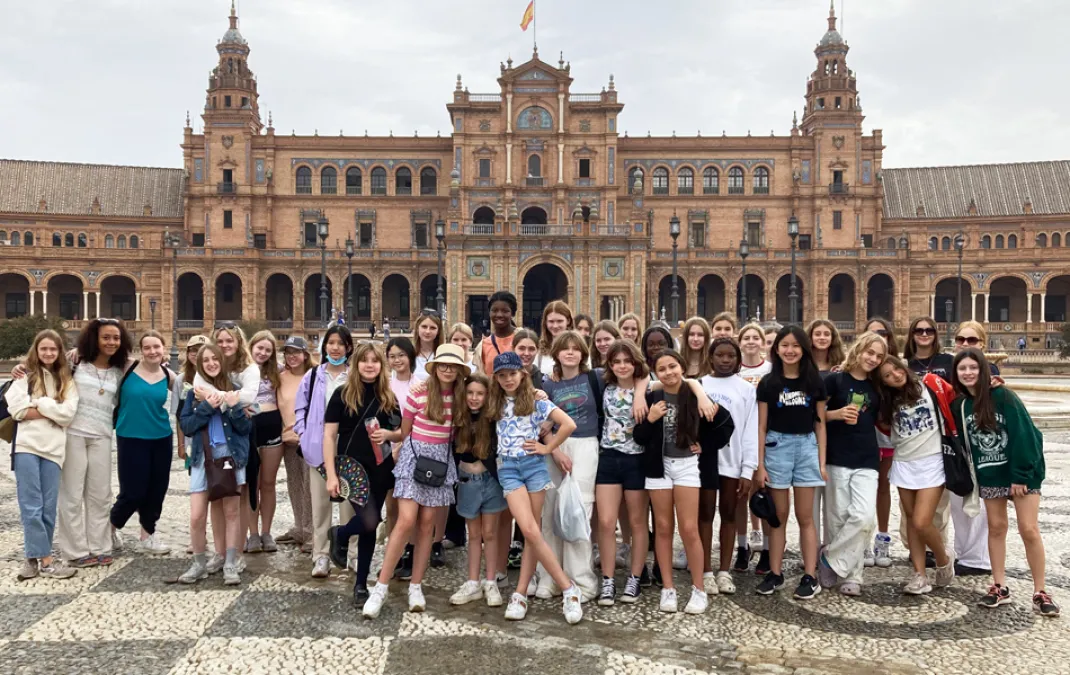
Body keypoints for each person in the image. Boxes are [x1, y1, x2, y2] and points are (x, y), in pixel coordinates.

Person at [951, 348, 1058, 616]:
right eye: (962, 368)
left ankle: (1040, 590)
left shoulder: (1004, 397)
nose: (968, 373)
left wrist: (1020, 475)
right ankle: (999, 585)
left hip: (1021, 472)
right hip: (990, 472)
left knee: (1028, 529)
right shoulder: (961, 406)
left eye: (973, 368)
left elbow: (1026, 434)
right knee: (996, 527)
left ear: (984, 370)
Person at [363, 344, 465, 617]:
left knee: (428, 525)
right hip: (414, 457)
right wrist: (387, 435)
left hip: (440, 463)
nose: (447, 369)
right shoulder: (419, 392)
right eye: (443, 364)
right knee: (406, 521)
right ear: (435, 367)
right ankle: (381, 586)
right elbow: (404, 432)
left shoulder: (461, 397)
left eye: (453, 366)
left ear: (459, 371)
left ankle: (416, 585)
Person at [485, 351, 583, 624]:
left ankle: (519, 594)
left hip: (534, 467)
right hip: (509, 469)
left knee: (532, 533)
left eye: (512, 374)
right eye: (502, 376)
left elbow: (568, 424)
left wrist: (547, 447)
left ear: (522, 374)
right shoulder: (494, 401)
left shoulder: (536, 400)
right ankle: (568, 588)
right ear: (496, 378)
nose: (508, 380)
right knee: (529, 528)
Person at [635, 349, 733, 614]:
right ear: (656, 372)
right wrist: (651, 418)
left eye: (672, 366)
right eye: (662, 369)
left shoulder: (694, 393)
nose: (668, 373)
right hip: (659, 467)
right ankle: (668, 588)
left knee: (689, 529)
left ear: (681, 366)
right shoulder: (653, 396)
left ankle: (698, 588)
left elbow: (726, 424)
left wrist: (705, 445)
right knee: (664, 528)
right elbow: (639, 436)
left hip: (687, 466)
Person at [753, 325, 828, 599]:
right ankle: (775, 573)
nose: (790, 350)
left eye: (796, 345)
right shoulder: (768, 383)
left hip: (806, 445)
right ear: (776, 349)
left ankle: (810, 575)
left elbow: (820, 425)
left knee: (806, 517)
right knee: (778, 517)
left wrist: (821, 461)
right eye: (784, 345)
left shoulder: (814, 382)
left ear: (804, 349)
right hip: (777, 447)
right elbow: (761, 426)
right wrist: (760, 465)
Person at [323, 343, 400, 604]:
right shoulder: (342, 395)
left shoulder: (388, 397)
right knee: (369, 521)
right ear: (355, 365)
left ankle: (360, 584)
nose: (370, 365)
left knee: (370, 527)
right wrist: (331, 475)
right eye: (364, 360)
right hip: (353, 470)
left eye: (375, 361)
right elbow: (329, 435)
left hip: (381, 468)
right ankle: (341, 534)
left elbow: (400, 430)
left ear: (382, 365)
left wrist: (389, 434)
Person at [56, 318, 133, 568]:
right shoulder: (75, 364)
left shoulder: (120, 370)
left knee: (100, 494)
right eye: (106, 337)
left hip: (101, 435)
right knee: (72, 493)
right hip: (73, 434)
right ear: (94, 339)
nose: (111, 342)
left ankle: (100, 546)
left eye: (116, 338)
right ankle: (75, 550)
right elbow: (44, 370)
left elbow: (153, 369)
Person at [876, 355, 955, 595]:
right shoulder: (888, 400)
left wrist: (990, 383)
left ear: (903, 368)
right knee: (911, 519)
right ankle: (919, 574)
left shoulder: (930, 384)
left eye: (896, 370)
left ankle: (943, 559)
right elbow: (884, 427)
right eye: (887, 376)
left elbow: (959, 397)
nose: (895, 376)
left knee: (922, 521)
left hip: (932, 461)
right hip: (904, 462)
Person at [534, 331, 603, 602]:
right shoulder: (548, 385)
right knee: (550, 513)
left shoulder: (593, 378)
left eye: (576, 348)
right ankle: (549, 577)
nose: (571, 352)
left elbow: (639, 376)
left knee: (579, 511)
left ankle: (581, 580)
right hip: (554, 449)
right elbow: (542, 425)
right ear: (557, 354)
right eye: (565, 349)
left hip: (585, 446)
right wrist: (555, 450)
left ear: (583, 353)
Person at [817, 332, 886, 596]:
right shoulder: (835, 380)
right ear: (858, 350)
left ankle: (829, 558)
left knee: (864, 516)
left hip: (867, 457)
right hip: (837, 455)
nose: (873, 359)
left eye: (879, 356)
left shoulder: (877, 386)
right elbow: (816, 413)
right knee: (838, 518)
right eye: (870, 352)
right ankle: (851, 575)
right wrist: (836, 413)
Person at [178, 343, 253, 585]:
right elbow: (186, 426)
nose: (211, 363)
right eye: (205, 360)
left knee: (232, 512)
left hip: (230, 456)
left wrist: (232, 407)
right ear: (199, 365)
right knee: (197, 516)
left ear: (221, 361)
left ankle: (230, 561)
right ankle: (199, 562)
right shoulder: (194, 393)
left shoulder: (235, 390)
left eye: (215, 359)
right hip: (203, 458)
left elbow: (245, 428)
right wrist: (208, 407)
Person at [8, 330, 79, 581]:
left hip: (54, 450)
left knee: (48, 508)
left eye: (53, 349)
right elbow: (16, 409)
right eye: (43, 349)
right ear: (36, 351)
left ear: (60, 352)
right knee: (31, 505)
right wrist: (53, 410)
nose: (48, 353)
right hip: (27, 447)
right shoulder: (23, 377)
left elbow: (68, 414)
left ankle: (34, 559)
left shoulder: (66, 380)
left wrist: (39, 404)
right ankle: (42, 560)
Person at [295, 324, 355, 578]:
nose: (335, 347)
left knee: (349, 506)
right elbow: (300, 407)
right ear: (325, 346)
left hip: (349, 448)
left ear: (348, 347)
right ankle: (320, 555)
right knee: (320, 505)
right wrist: (303, 433)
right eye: (331, 342)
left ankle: (352, 555)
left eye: (340, 343)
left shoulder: (354, 376)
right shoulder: (313, 375)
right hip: (318, 448)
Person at [595, 340, 652, 605]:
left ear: (635, 363)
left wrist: (640, 392)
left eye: (627, 361)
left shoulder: (649, 389)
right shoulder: (604, 387)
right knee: (607, 522)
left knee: (638, 522)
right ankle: (608, 579)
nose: (622, 366)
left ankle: (635, 577)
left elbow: (683, 382)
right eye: (616, 361)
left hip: (636, 459)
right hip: (608, 458)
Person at [699, 337, 757, 595]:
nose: (725, 360)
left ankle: (724, 570)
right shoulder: (700, 384)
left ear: (737, 359)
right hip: (705, 461)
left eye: (730, 356)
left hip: (733, 461)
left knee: (730, 514)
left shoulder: (746, 389)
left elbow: (750, 430)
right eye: (720, 355)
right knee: (705, 514)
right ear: (710, 357)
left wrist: (748, 469)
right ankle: (705, 571)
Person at [109, 331, 175, 555]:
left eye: (157, 346)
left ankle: (148, 534)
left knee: (157, 489)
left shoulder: (169, 375)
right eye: (147, 347)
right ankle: (111, 527)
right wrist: (77, 352)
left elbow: (193, 391)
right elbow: (97, 356)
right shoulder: (127, 367)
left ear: (163, 348)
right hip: (130, 437)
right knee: (132, 491)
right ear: (141, 350)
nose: (152, 351)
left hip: (161, 437)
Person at [449, 373, 506, 607]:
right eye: (470, 393)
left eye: (480, 394)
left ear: (488, 395)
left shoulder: (493, 417)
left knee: (490, 533)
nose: (474, 398)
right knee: (473, 534)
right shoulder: (458, 417)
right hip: (466, 479)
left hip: (490, 479)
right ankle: (472, 582)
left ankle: (490, 581)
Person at [950, 321, 997, 576]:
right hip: (960, 449)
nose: (965, 344)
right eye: (961, 339)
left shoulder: (991, 374)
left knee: (980, 508)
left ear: (982, 343)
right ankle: (965, 555)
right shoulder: (954, 370)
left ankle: (980, 559)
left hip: (984, 449)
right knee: (960, 504)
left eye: (972, 340)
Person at [734, 323, 771, 574]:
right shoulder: (733, 370)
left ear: (762, 342)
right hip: (740, 438)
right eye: (745, 337)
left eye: (755, 337)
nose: (750, 341)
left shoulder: (771, 369)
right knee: (740, 495)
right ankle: (742, 546)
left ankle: (768, 548)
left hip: (768, 438)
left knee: (766, 494)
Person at [245, 331, 284, 554]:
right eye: (260, 348)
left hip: (271, 426)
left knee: (268, 484)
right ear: (251, 347)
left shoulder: (277, 370)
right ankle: (252, 534)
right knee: (251, 483)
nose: (263, 353)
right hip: (248, 429)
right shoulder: (240, 369)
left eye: (268, 350)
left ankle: (266, 531)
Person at [276, 336, 315, 552]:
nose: (292, 356)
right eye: (288, 352)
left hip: (309, 439)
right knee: (294, 483)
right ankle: (299, 526)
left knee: (311, 485)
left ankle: (311, 531)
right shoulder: (280, 378)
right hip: (288, 439)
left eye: (296, 352)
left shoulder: (315, 376)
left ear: (305, 354)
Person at [386, 336, 418, 575]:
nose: (397, 360)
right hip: (387, 450)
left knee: (411, 506)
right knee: (392, 506)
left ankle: (411, 551)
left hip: (414, 450)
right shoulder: (384, 384)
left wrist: (402, 445)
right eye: (392, 356)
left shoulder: (420, 384)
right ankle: (393, 552)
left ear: (410, 357)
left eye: (401, 355)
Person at [478, 291, 518, 375]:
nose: (499, 314)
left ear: (513, 313)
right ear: (489, 313)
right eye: (494, 310)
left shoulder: (522, 338)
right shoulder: (484, 345)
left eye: (505, 311)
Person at [535, 301, 574, 378]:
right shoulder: (539, 352)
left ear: (568, 321)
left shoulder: (579, 349)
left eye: (560, 321)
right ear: (545, 322)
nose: (555, 326)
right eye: (551, 321)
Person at [413, 310, 445, 383]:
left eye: (433, 328)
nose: (427, 331)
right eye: (424, 327)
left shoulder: (444, 355)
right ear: (418, 328)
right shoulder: (408, 354)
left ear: (438, 331)